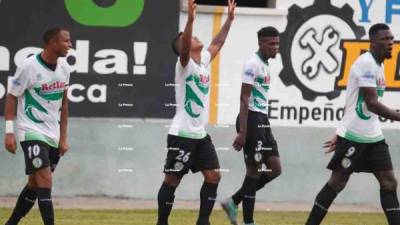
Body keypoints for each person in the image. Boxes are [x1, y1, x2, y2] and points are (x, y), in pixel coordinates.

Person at [305, 23, 400, 225]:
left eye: (391, 39)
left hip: (373, 136)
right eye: (384, 39)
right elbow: (372, 104)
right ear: (372, 42)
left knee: (389, 182)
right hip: (354, 137)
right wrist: (342, 133)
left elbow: (359, 105)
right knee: (337, 183)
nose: (390, 43)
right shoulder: (365, 63)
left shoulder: (379, 65)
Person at [156, 0, 235, 225]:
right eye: (190, 37)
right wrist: (190, 20)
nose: (197, 37)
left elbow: (218, 42)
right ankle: (161, 222)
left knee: (213, 176)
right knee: (172, 181)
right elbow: (184, 50)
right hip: (181, 134)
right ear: (184, 46)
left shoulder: (204, 62)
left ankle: (203, 221)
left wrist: (229, 20)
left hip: (200, 135)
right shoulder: (184, 65)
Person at [4, 26, 71, 225]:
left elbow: (64, 105)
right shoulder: (28, 66)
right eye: (66, 41)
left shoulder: (64, 69)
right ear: (52, 43)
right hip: (30, 130)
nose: (70, 45)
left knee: (34, 184)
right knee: (45, 179)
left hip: (52, 134)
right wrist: (9, 132)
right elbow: (11, 96)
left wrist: (64, 138)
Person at [221, 27, 281, 225]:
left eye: (277, 43)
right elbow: (244, 97)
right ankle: (248, 221)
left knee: (275, 168)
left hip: (262, 120)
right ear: (261, 43)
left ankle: (234, 200)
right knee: (253, 171)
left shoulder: (265, 64)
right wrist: (243, 131)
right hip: (251, 120)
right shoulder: (252, 64)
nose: (276, 47)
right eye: (272, 44)